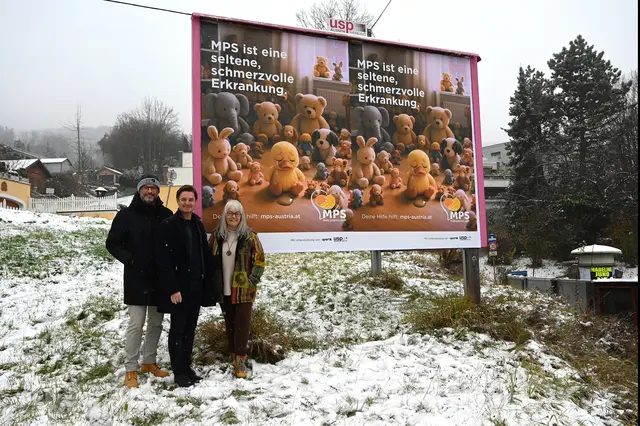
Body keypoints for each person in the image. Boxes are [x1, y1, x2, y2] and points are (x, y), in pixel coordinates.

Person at [105, 174, 173, 388]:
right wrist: (131, 260)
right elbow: (112, 243)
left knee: (156, 323)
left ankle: (149, 362)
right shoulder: (126, 215)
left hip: (159, 279)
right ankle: (131, 368)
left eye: (153, 188)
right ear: (139, 190)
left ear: (158, 191)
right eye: (146, 188)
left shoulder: (166, 215)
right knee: (136, 324)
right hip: (136, 278)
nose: (149, 191)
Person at [155, 185, 220, 387]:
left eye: (191, 200)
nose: (187, 203)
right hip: (179, 288)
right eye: (183, 199)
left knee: (190, 329)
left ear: (195, 202)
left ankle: (187, 367)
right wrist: (173, 288)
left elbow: (203, 254)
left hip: (196, 285)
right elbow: (163, 260)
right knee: (178, 329)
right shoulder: (168, 225)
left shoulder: (197, 224)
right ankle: (179, 371)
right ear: (178, 201)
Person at [210, 200, 265, 378]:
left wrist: (251, 281)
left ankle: (241, 358)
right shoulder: (216, 236)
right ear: (224, 216)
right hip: (223, 287)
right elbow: (209, 259)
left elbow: (260, 260)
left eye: (237, 213)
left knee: (242, 323)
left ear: (241, 216)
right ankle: (234, 354)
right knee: (230, 322)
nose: (233, 216)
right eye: (230, 213)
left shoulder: (250, 237)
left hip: (243, 289)